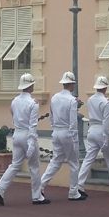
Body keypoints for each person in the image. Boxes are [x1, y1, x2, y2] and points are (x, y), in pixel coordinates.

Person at [0, 73, 46, 206]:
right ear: (31, 85)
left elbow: (13, 115)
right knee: (34, 166)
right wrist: (31, 143)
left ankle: (0, 189)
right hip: (28, 135)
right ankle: (37, 196)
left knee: (15, 165)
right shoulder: (33, 103)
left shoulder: (14, 101)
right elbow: (33, 125)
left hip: (17, 134)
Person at [78, 76, 109, 197]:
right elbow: (106, 122)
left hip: (92, 130)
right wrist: (106, 137)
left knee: (88, 159)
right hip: (101, 130)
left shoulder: (90, 99)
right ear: (105, 87)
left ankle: (79, 185)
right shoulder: (106, 102)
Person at [39, 72, 86, 201]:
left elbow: (52, 116)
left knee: (55, 161)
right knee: (74, 163)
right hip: (67, 132)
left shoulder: (54, 98)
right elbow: (73, 121)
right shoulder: (71, 100)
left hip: (56, 131)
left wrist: (54, 128)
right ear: (71, 84)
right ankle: (73, 192)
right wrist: (75, 138)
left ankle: (40, 186)